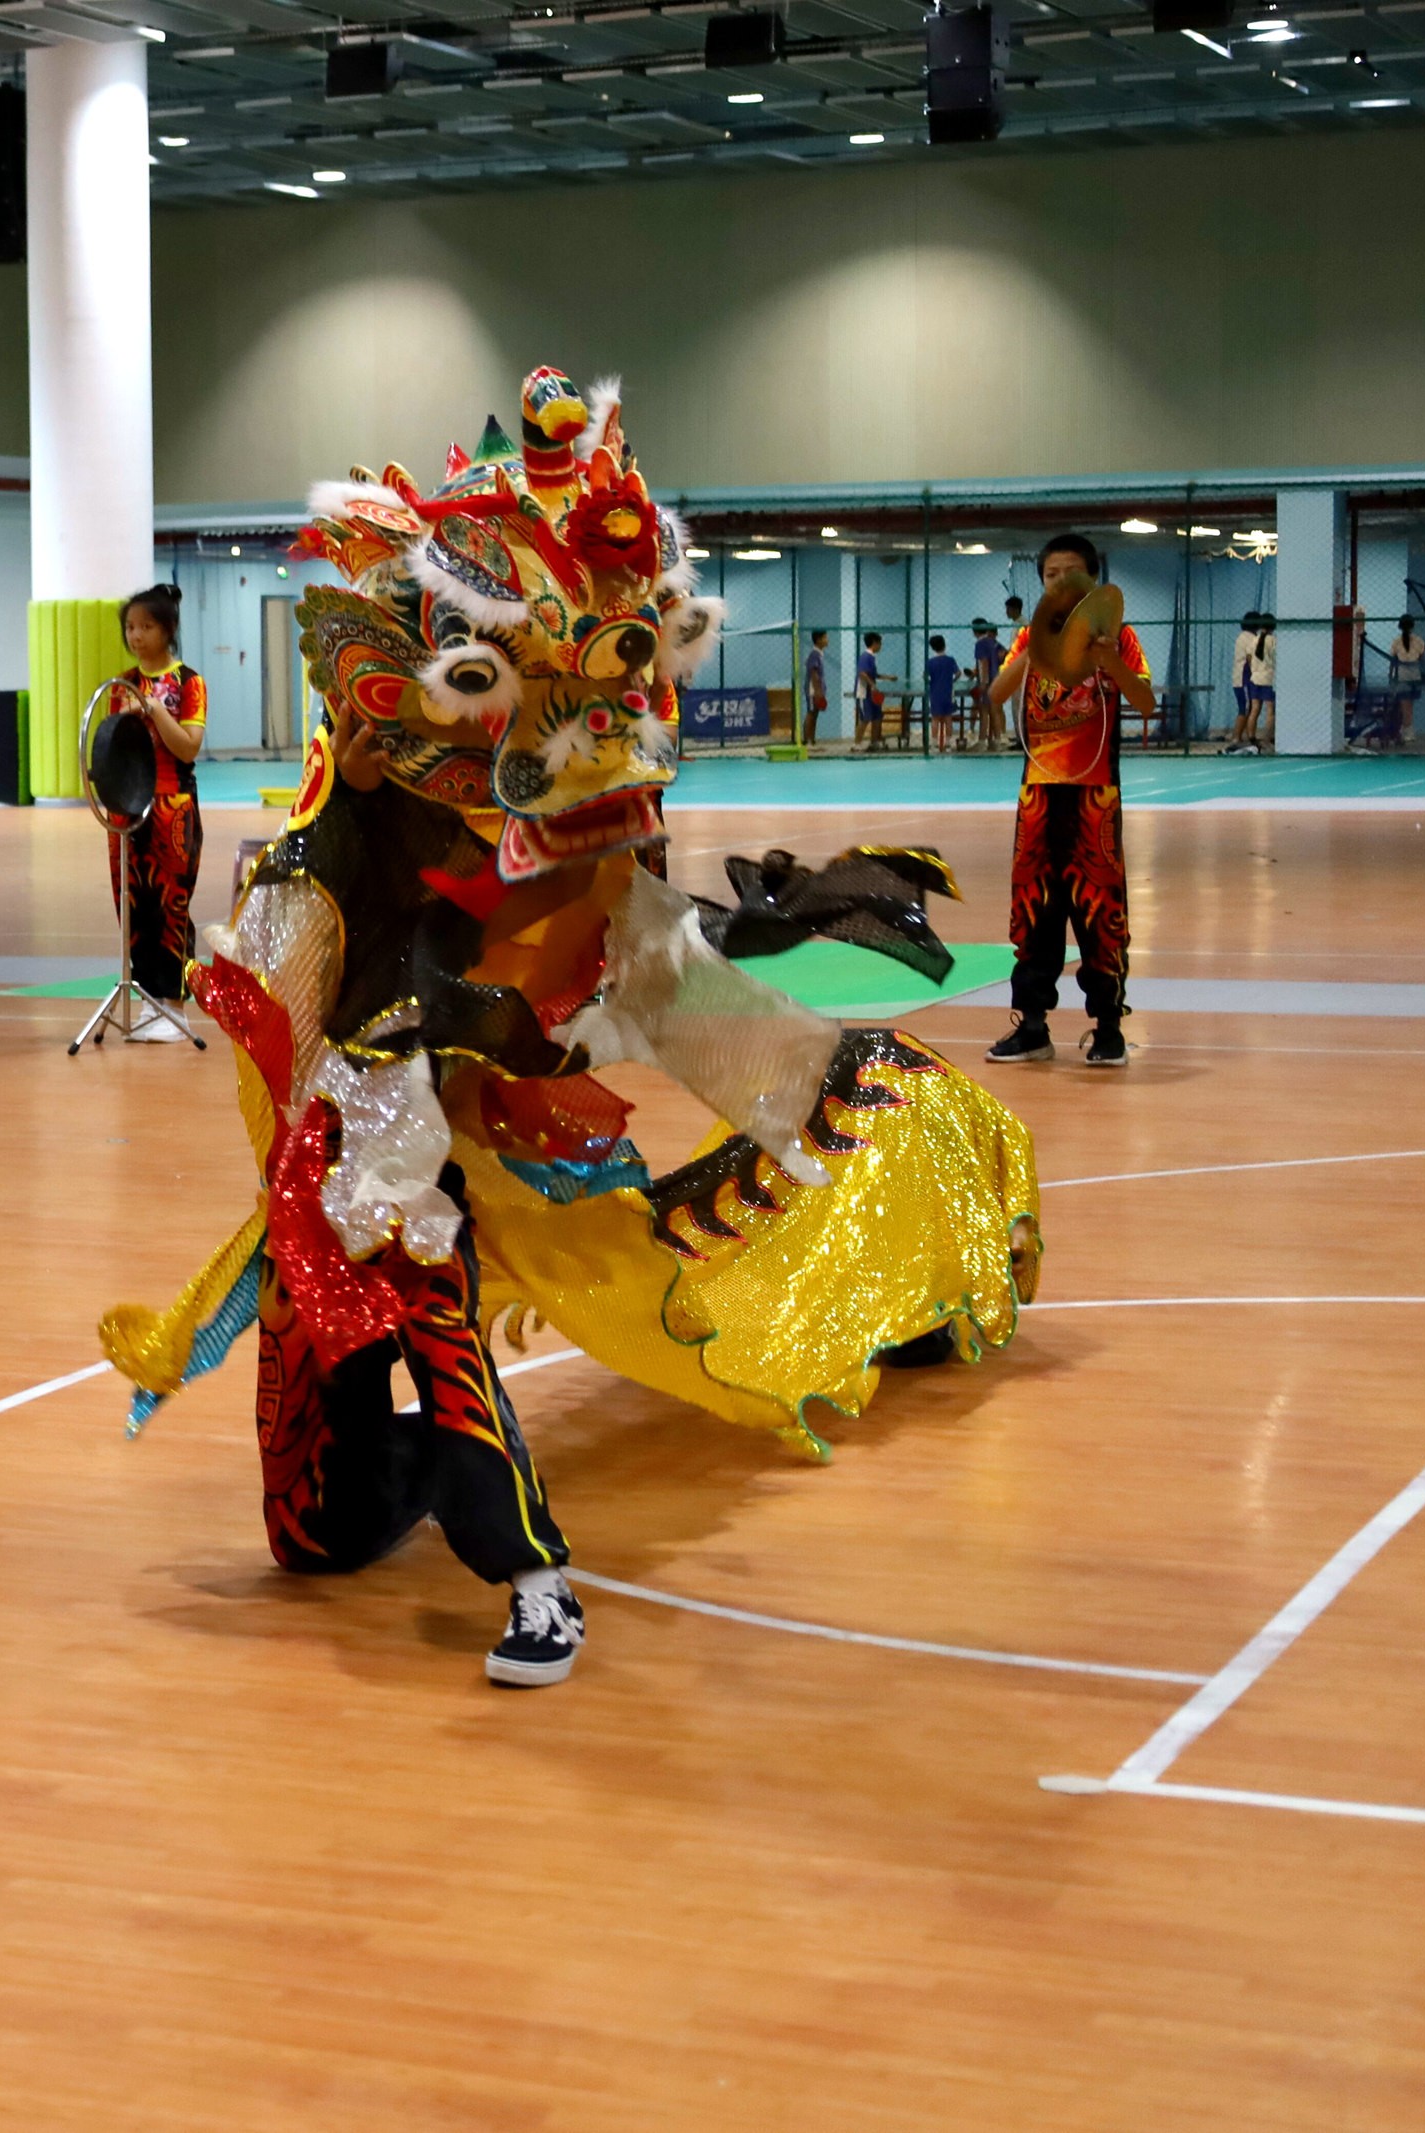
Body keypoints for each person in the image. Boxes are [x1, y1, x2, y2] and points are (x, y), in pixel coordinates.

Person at [102, 367, 1043, 1695]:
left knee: (442, 1330)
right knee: (312, 1528)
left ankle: (535, 1583)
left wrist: (780, 923)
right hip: (345, 1147)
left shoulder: (551, 838)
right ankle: (435, 1491)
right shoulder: (339, 834)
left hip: (422, 1151)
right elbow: (301, 990)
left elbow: (637, 978)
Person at [986, 533, 1151, 1069]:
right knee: (1033, 910)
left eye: (1070, 572)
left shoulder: (1120, 637)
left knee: (1101, 912)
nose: (1060, 581)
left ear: (1092, 579)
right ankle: (1033, 1027)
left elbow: (1146, 701)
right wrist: (1035, 647)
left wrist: (1109, 660)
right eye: (1050, 574)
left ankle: (1109, 1028)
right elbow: (996, 695)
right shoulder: (1027, 637)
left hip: (1094, 798)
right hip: (1038, 797)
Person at [107, 582, 205, 1038]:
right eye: (130, 627)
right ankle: (147, 1004)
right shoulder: (121, 684)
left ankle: (175, 1008)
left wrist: (154, 711)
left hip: (172, 805)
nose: (136, 635)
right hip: (128, 809)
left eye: (146, 626)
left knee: (171, 909)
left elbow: (188, 748)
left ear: (168, 629)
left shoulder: (189, 683)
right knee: (134, 909)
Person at [1226, 609, 1275, 755]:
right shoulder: (1251, 638)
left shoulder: (1248, 638)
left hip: (1250, 678)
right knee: (1248, 708)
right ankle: (1237, 737)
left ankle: (1248, 737)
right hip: (1247, 678)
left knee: (1252, 708)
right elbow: (1252, 657)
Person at [1380, 614, 1425, 753]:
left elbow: (1393, 661)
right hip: (1415, 675)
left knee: (1405, 705)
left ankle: (1407, 731)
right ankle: (1406, 729)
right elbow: (1423, 660)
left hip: (1403, 676)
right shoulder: (1418, 641)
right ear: (1412, 626)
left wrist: (1391, 676)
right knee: (1409, 705)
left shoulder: (1396, 642)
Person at [971, 616, 1007, 748]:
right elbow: (1003, 656)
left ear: (974, 631)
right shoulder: (993, 642)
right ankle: (997, 740)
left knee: (984, 711)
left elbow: (983, 663)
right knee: (994, 711)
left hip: (987, 681)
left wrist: (983, 682)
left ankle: (982, 741)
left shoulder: (980, 644)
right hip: (996, 679)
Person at [925, 634, 960, 752]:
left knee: (935, 719)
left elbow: (925, 676)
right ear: (944, 645)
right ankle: (948, 744)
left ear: (932, 648)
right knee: (948, 719)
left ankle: (934, 745)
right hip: (948, 692)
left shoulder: (930, 662)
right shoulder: (950, 660)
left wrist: (931, 681)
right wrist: (952, 681)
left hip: (935, 693)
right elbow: (958, 673)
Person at [856, 631, 888, 751]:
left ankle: (874, 742)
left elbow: (873, 674)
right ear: (874, 643)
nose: (881, 646)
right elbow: (862, 673)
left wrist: (888, 677)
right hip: (864, 693)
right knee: (865, 719)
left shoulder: (872, 657)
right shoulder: (865, 656)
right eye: (880, 643)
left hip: (872, 693)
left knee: (877, 717)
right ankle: (857, 744)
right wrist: (873, 685)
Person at [802, 628, 829, 746]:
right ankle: (806, 741)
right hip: (813, 690)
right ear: (818, 640)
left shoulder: (819, 654)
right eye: (825, 637)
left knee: (815, 714)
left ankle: (812, 740)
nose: (827, 640)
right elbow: (813, 672)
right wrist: (817, 691)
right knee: (811, 713)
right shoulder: (814, 654)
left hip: (817, 690)